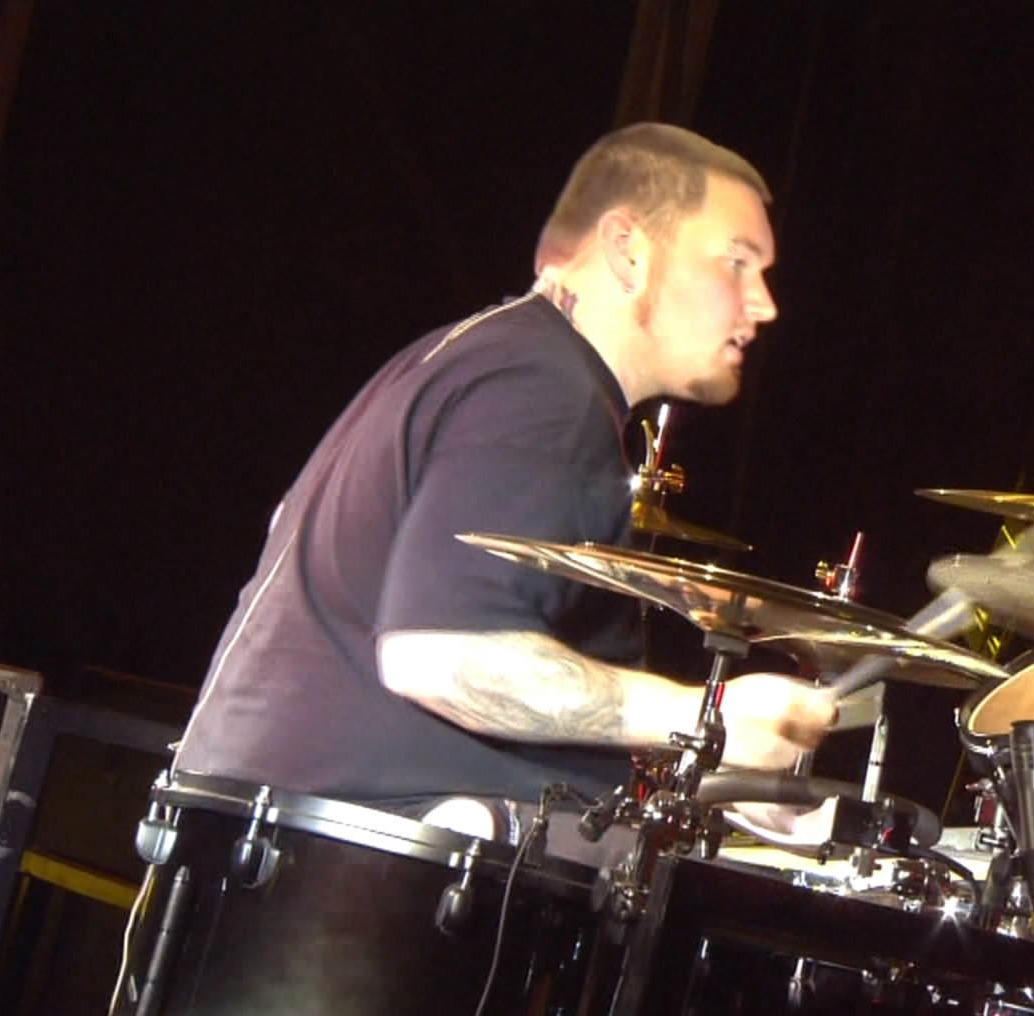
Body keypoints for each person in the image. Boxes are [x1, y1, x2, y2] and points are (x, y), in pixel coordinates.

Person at [169, 122, 836, 837]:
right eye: (736, 262)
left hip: (258, 839)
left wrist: (708, 766)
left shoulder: (481, 356)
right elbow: (440, 657)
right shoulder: (544, 393)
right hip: (346, 866)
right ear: (629, 251)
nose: (764, 303)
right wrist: (706, 719)